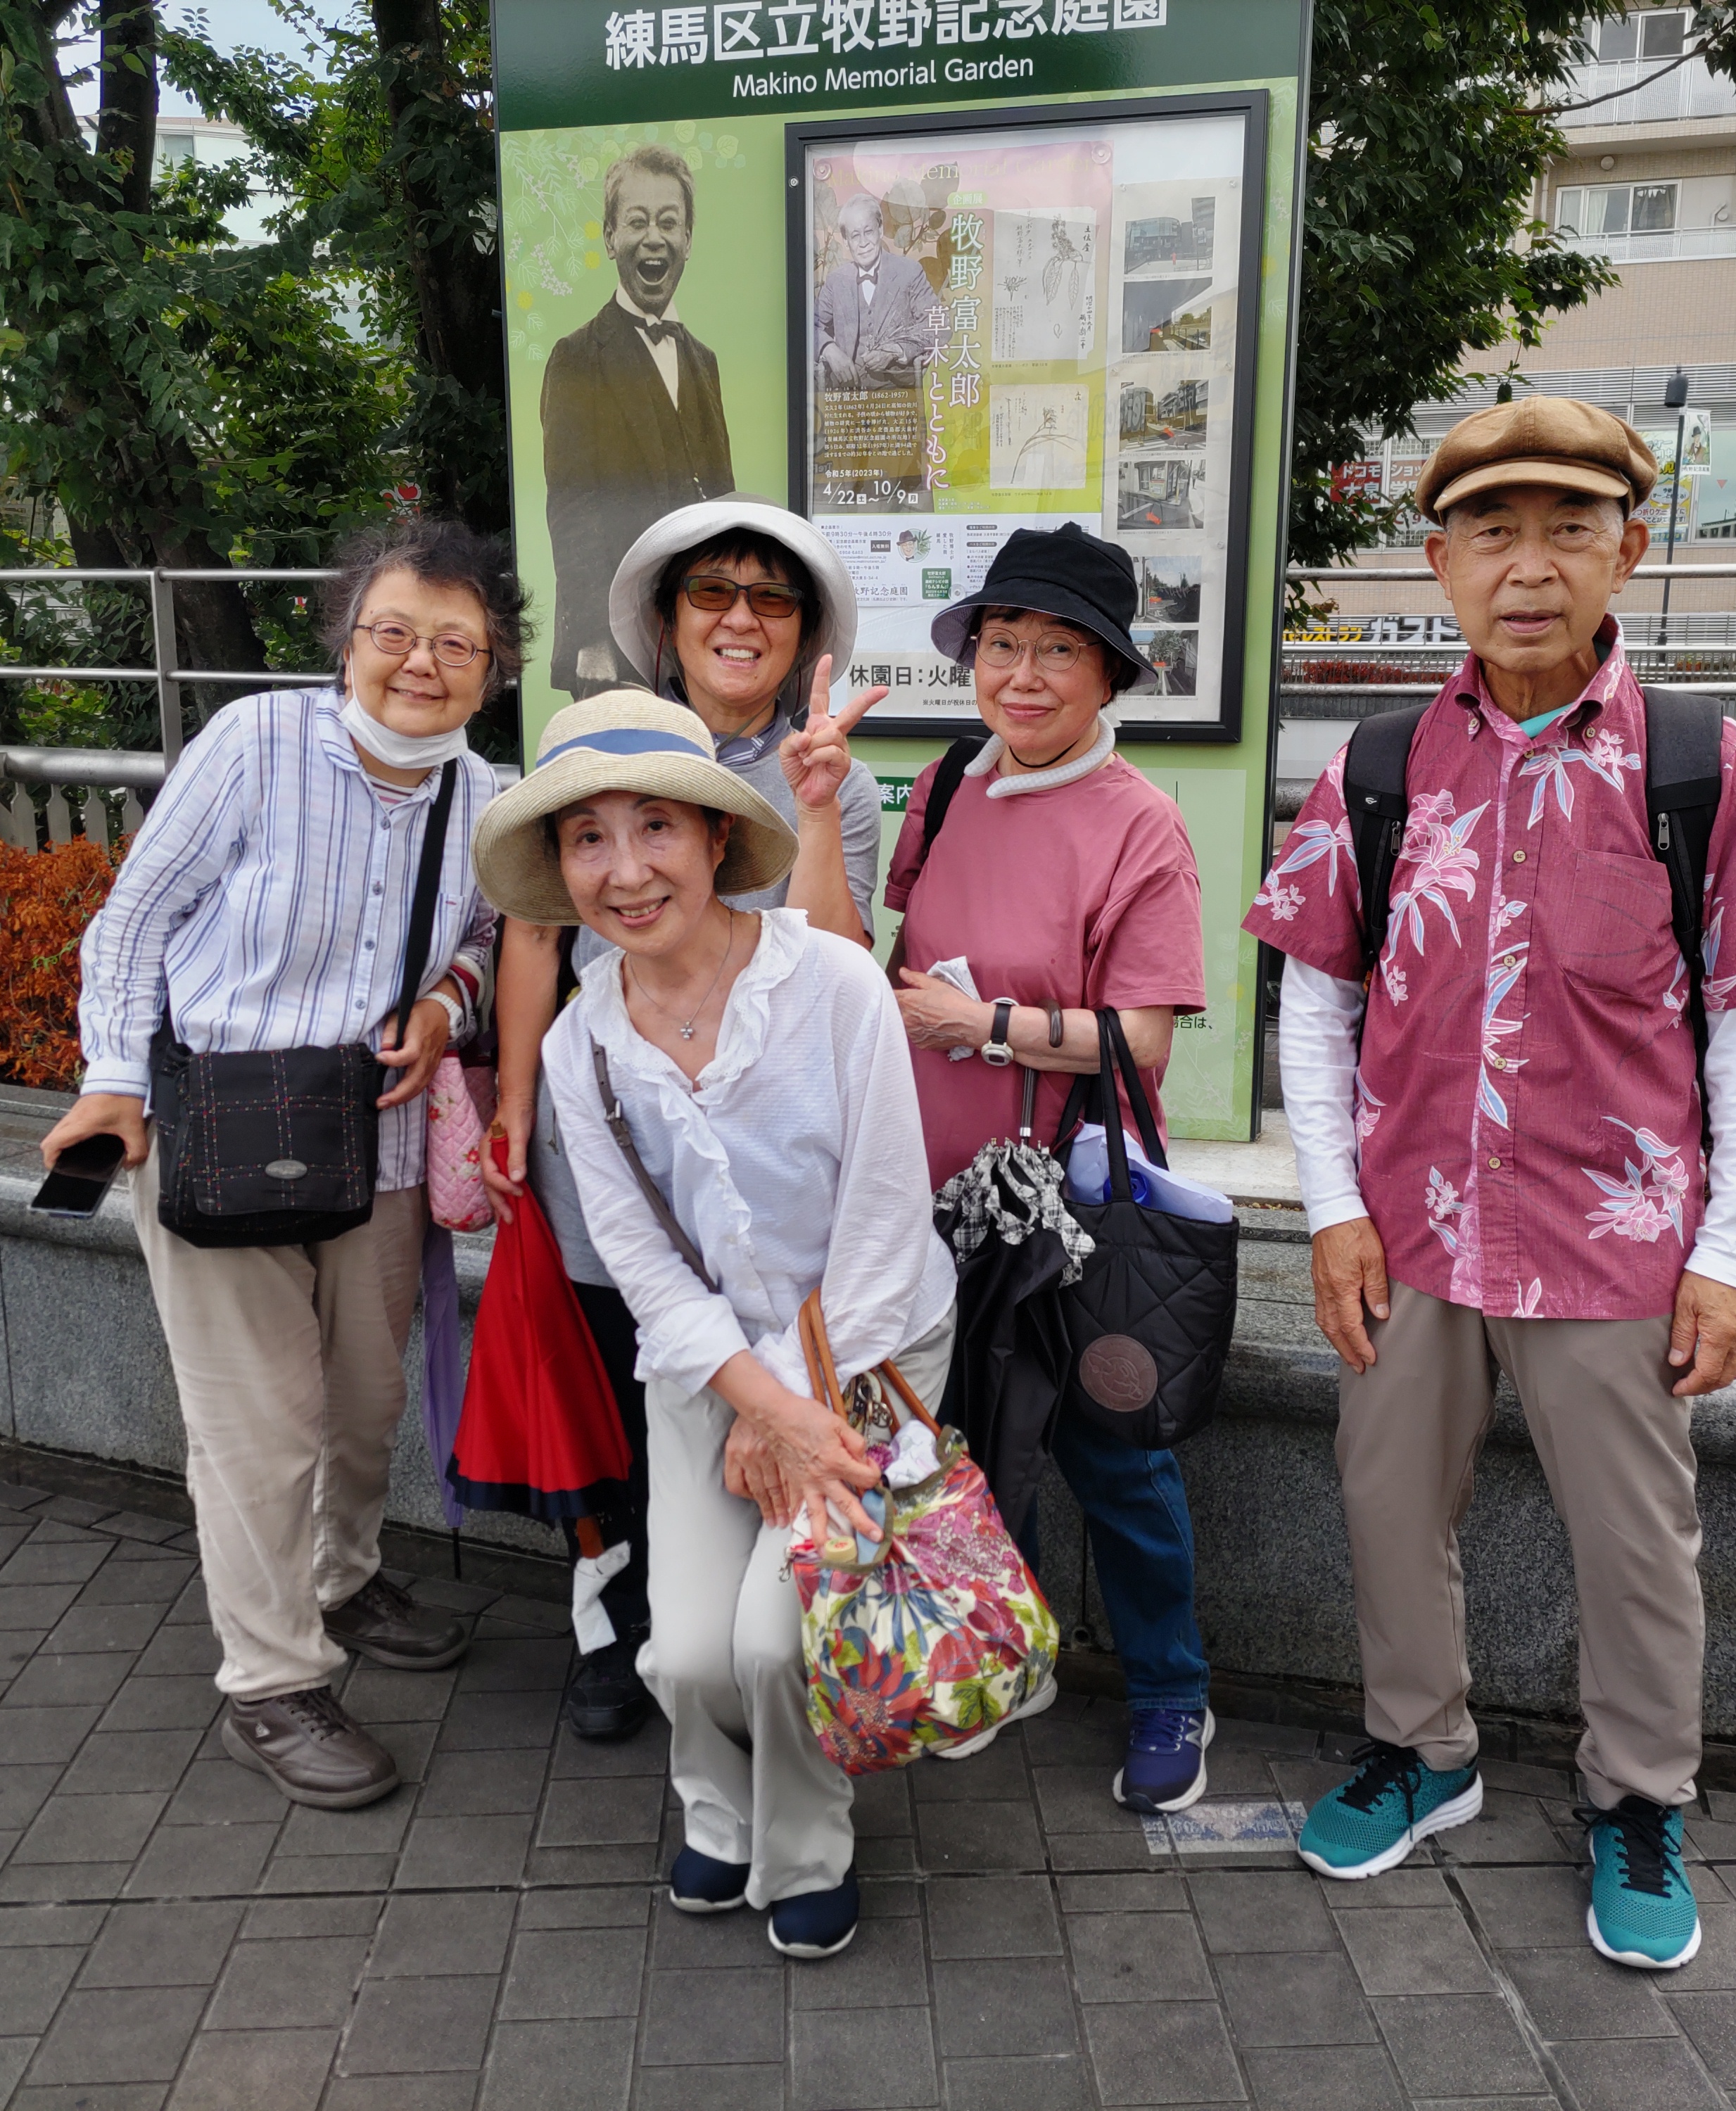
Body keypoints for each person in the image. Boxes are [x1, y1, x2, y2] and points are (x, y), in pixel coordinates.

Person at [1248, 398, 1736, 1968]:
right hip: (1412, 1227)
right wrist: (1329, 1208)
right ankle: (1419, 1751)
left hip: (1618, 1237)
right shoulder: (1378, 765)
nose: (1528, 567)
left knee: (1636, 1539)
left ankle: (1637, 1801)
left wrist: (1734, 1255)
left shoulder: (1702, 769)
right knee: (1385, 1499)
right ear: (1436, 562)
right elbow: (1312, 998)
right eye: (1491, 534)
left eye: (1567, 530)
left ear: (1625, 553)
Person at [471, 690, 958, 1960]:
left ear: (714, 839)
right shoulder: (581, 1046)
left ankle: (805, 1841)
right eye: (587, 839)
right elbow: (639, 1261)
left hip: (868, 1344)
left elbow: (886, 1218)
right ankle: (712, 1808)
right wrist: (755, 1403)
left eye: (655, 830)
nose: (624, 871)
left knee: (770, 1638)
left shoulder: (834, 983)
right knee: (683, 1654)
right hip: (703, 1364)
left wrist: (806, 1413)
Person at [44, 519, 519, 1811]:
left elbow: (489, 941)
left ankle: (343, 1581)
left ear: (495, 668)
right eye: (394, 632)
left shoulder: (485, 799)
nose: (420, 663)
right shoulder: (257, 743)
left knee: (364, 1404)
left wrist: (447, 1004)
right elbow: (133, 920)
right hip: (216, 1132)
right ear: (348, 640)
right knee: (261, 1426)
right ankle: (270, 1683)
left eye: (456, 643)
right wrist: (115, 1081)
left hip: (381, 1141)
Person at [486, 499, 887, 1742]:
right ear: (669, 618)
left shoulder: (833, 773)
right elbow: (536, 931)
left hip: (767, 1173)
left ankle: (742, 1642)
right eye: (713, 592)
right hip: (615, 1136)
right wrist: (511, 1100)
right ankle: (622, 1615)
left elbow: (842, 966)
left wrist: (814, 805)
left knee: (740, 1387)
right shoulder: (590, 739)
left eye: (771, 599)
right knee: (619, 1377)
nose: (740, 618)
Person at [882, 521, 1217, 1814]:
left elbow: (1139, 1047)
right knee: (957, 1443)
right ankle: (995, 1661)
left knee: (1115, 1458)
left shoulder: (1143, 830)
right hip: (935, 1189)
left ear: (1112, 677)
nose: (1020, 675)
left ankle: (1170, 1695)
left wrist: (989, 1028)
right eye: (1001, 645)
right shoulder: (949, 782)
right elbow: (899, 948)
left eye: (1056, 652)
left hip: (1069, 1205)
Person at [543, 146, 735, 695]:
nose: (655, 237)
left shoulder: (705, 361)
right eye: (637, 221)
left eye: (669, 222)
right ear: (610, 238)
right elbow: (571, 508)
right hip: (614, 646)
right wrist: (593, 639)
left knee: (697, 780)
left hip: (697, 636)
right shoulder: (577, 356)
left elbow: (721, 500)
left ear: (689, 241)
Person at [815, 190, 944, 392]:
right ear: (846, 241)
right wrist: (829, 350)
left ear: (881, 230)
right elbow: (810, 326)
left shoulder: (909, 272)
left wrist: (896, 350)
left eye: (869, 232)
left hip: (897, 395)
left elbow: (939, 326)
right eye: (855, 235)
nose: (863, 243)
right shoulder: (836, 280)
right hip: (847, 399)